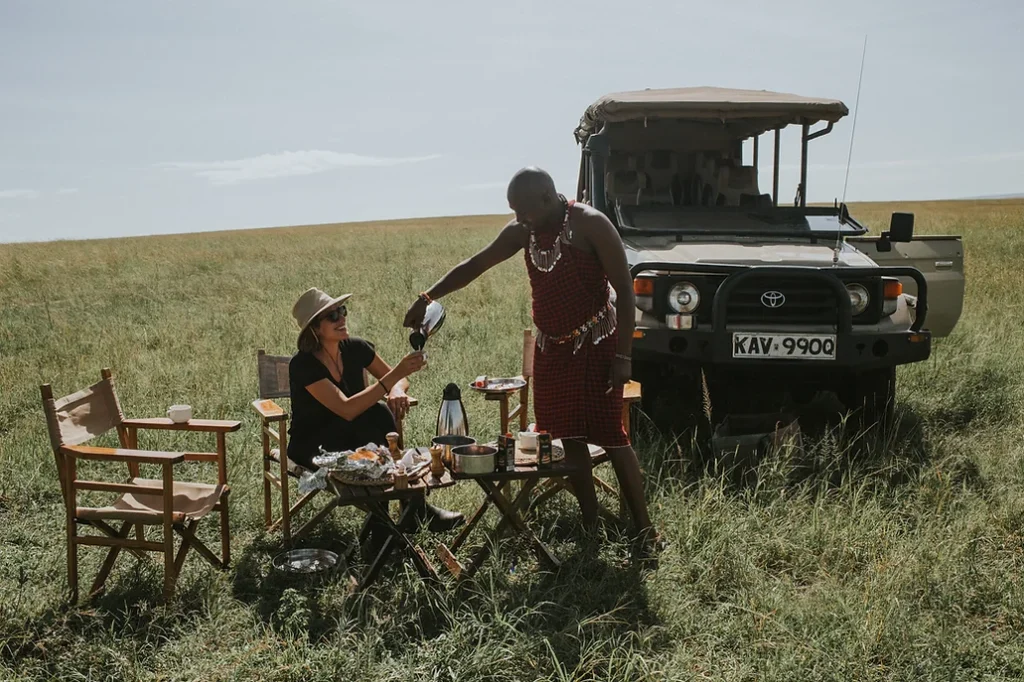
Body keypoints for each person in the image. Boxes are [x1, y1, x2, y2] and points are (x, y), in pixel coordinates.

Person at [403, 167, 657, 546]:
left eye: (523, 210)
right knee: (569, 437)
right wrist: (427, 298)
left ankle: (646, 532)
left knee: (612, 436)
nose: (519, 218)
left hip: (597, 344)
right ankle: (591, 528)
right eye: (514, 211)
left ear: (547, 198)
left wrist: (624, 356)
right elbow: (476, 265)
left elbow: (625, 287)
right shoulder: (524, 231)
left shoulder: (590, 224)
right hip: (551, 348)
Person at [288, 286, 464, 532]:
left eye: (342, 311)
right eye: (333, 316)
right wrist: (394, 377)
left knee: (379, 414)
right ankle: (388, 521)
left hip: (353, 437)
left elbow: (398, 380)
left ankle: (405, 510)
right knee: (376, 417)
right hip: (316, 445)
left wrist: (397, 389)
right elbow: (347, 409)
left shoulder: (355, 348)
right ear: (315, 329)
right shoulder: (303, 365)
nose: (342, 318)